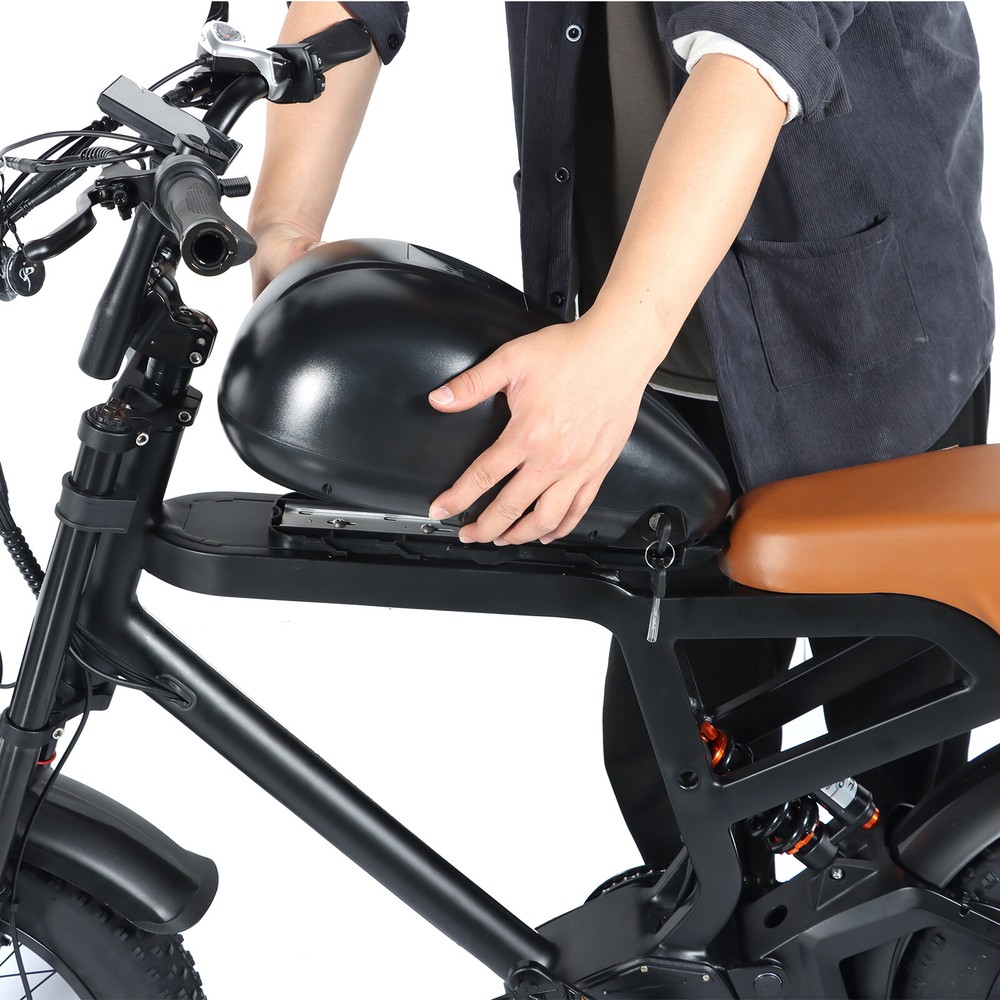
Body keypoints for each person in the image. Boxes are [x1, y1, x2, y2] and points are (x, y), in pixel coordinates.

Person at [249, 2, 993, 868]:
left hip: (862, 344)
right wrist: (284, 224)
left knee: (905, 767)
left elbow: (757, 50)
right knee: (669, 762)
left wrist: (610, 354)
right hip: (648, 361)